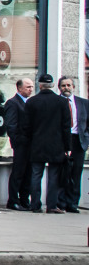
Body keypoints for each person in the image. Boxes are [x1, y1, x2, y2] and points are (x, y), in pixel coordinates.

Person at [21, 73, 71, 213]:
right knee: (53, 177)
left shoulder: (32, 102)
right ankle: (52, 206)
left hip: (37, 144)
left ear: (40, 85)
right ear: (53, 85)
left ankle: (35, 205)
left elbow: (26, 126)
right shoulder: (61, 102)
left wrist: (30, 141)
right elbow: (66, 126)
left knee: (36, 175)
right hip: (56, 145)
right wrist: (68, 147)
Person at [57, 76, 86, 213]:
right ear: (59, 88)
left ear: (73, 87)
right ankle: (61, 202)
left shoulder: (83, 103)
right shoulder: (56, 102)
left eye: (69, 85)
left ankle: (73, 203)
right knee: (62, 172)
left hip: (78, 141)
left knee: (76, 173)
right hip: (62, 140)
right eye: (63, 85)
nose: (66, 88)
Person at [4, 78, 34, 210]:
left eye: (32, 87)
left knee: (29, 173)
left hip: (31, 144)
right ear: (19, 88)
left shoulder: (31, 103)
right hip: (21, 143)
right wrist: (17, 140)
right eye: (28, 87)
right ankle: (13, 200)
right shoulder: (13, 103)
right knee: (18, 172)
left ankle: (24, 199)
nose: (30, 89)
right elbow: (11, 124)